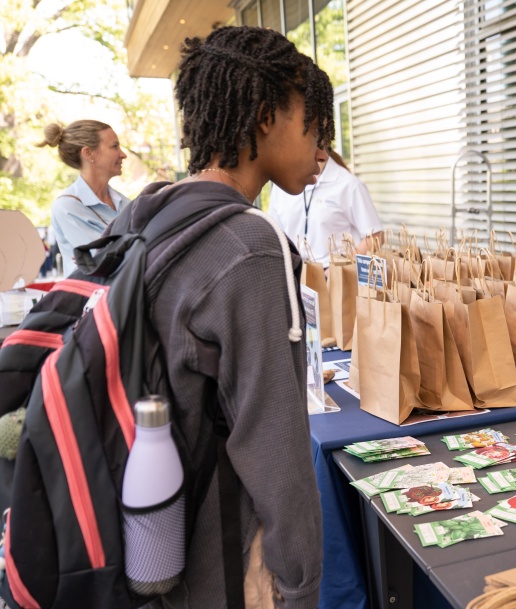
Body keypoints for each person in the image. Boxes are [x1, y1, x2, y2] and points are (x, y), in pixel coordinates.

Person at [132, 26, 334, 609]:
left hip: (149, 540)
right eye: (310, 124)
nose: (319, 149)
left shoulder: (151, 216)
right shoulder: (252, 247)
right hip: (217, 557)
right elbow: (276, 447)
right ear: (266, 115)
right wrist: (299, 585)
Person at [36, 120, 131, 276]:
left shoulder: (124, 203)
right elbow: (104, 262)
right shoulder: (67, 207)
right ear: (88, 153)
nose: (123, 154)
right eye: (114, 146)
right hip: (92, 298)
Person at [268, 148, 383, 266]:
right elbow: (274, 235)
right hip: (295, 272)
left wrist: (342, 266)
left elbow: (375, 236)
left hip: (333, 274)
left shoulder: (349, 185)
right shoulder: (280, 185)